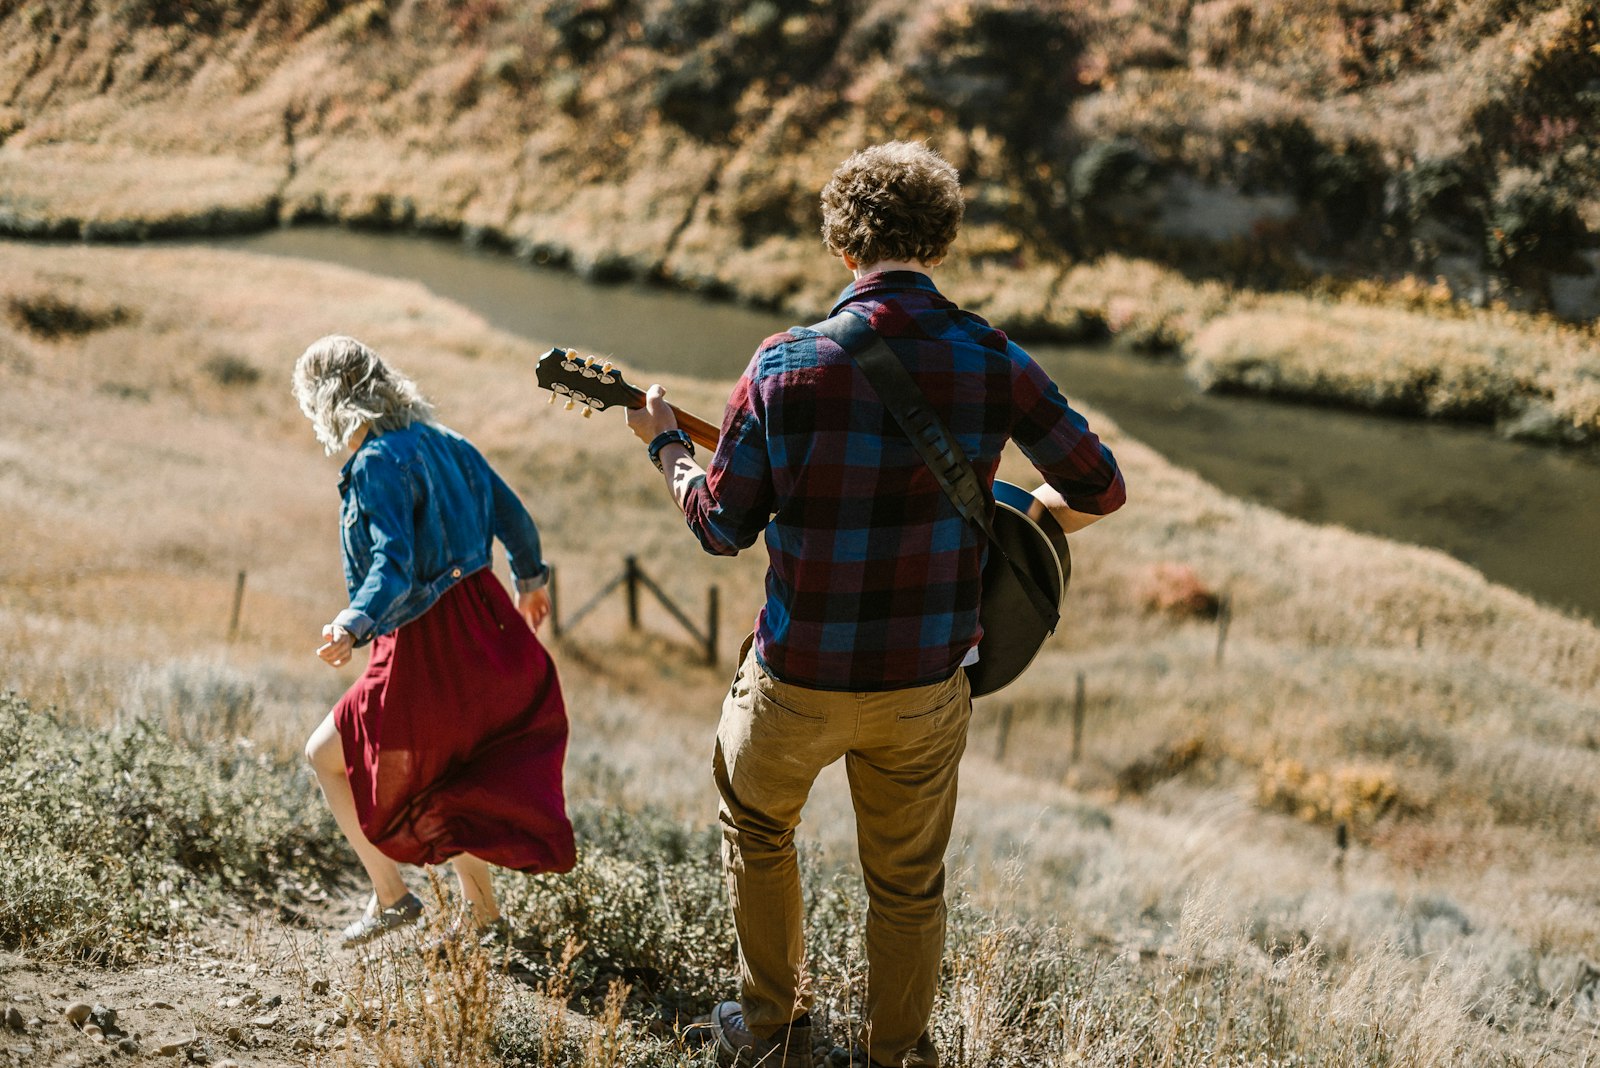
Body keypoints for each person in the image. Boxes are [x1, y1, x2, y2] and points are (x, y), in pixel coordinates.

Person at [623, 141, 1126, 1067]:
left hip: (797, 678)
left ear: (842, 241)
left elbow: (723, 528)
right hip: (926, 684)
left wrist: (666, 448)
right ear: (940, 238)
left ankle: (772, 1026)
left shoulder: (783, 364)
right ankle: (897, 1054)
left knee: (757, 825)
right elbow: (1099, 488)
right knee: (906, 884)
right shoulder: (993, 358)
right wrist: (1023, 513)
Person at [294, 334, 575, 950]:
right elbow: (515, 516)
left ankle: (391, 895)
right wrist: (528, 581)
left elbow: (392, 564)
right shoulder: (450, 443)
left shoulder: (373, 464)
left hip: (424, 641)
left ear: (328, 401)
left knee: (323, 755)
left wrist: (353, 623)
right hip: (486, 623)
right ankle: (486, 920)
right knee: (451, 773)